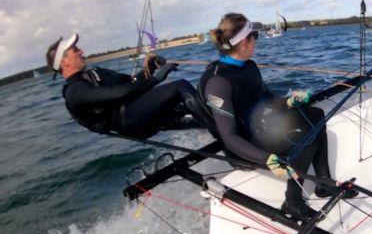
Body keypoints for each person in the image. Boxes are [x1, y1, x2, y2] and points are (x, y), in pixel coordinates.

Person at [199, 13, 353, 221]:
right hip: (244, 148)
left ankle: (323, 184)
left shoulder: (249, 67)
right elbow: (229, 137)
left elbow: (266, 99)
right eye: (255, 36)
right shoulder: (219, 82)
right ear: (244, 41)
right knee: (304, 134)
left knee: (315, 115)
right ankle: (293, 202)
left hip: (261, 129)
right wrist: (266, 159)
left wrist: (289, 101)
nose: (256, 41)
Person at [47, 33, 213, 139]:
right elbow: (121, 93)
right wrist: (156, 79)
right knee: (180, 86)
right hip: (129, 123)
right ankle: (223, 135)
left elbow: (132, 83)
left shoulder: (95, 73)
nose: (81, 51)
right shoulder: (74, 92)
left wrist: (151, 68)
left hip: (138, 110)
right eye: (75, 49)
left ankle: (219, 127)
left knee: (184, 107)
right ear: (64, 61)